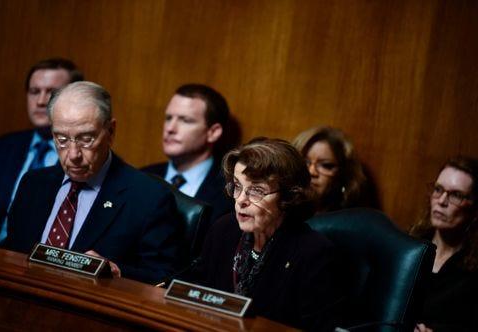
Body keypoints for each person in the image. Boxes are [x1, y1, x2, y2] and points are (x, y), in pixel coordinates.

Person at [3, 81, 183, 284]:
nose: (73, 155)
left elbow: (163, 279)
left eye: (86, 139)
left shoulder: (148, 199)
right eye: (61, 139)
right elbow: (12, 250)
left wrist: (116, 272)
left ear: (111, 132)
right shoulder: (33, 184)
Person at [190, 138, 342, 330]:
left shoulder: (313, 253)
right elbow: (196, 293)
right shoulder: (223, 230)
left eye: (256, 190)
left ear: (288, 196)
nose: (241, 200)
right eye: (237, 186)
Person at [0, 58, 84, 245]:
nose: (41, 101)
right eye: (34, 91)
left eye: (52, 93)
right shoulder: (1, 148)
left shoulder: (84, 158)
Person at [141, 84, 234, 250]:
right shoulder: (141, 177)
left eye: (185, 120)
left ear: (213, 132)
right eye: (168, 118)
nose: (170, 128)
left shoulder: (231, 193)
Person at [410, 156, 478, 332]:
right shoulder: (407, 247)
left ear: (475, 209)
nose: (442, 201)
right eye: (438, 189)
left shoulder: (476, 272)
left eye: (456, 195)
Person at [292, 126, 367, 212]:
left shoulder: (351, 221)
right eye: (304, 162)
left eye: (326, 165)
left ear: (343, 173)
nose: (311, 172)